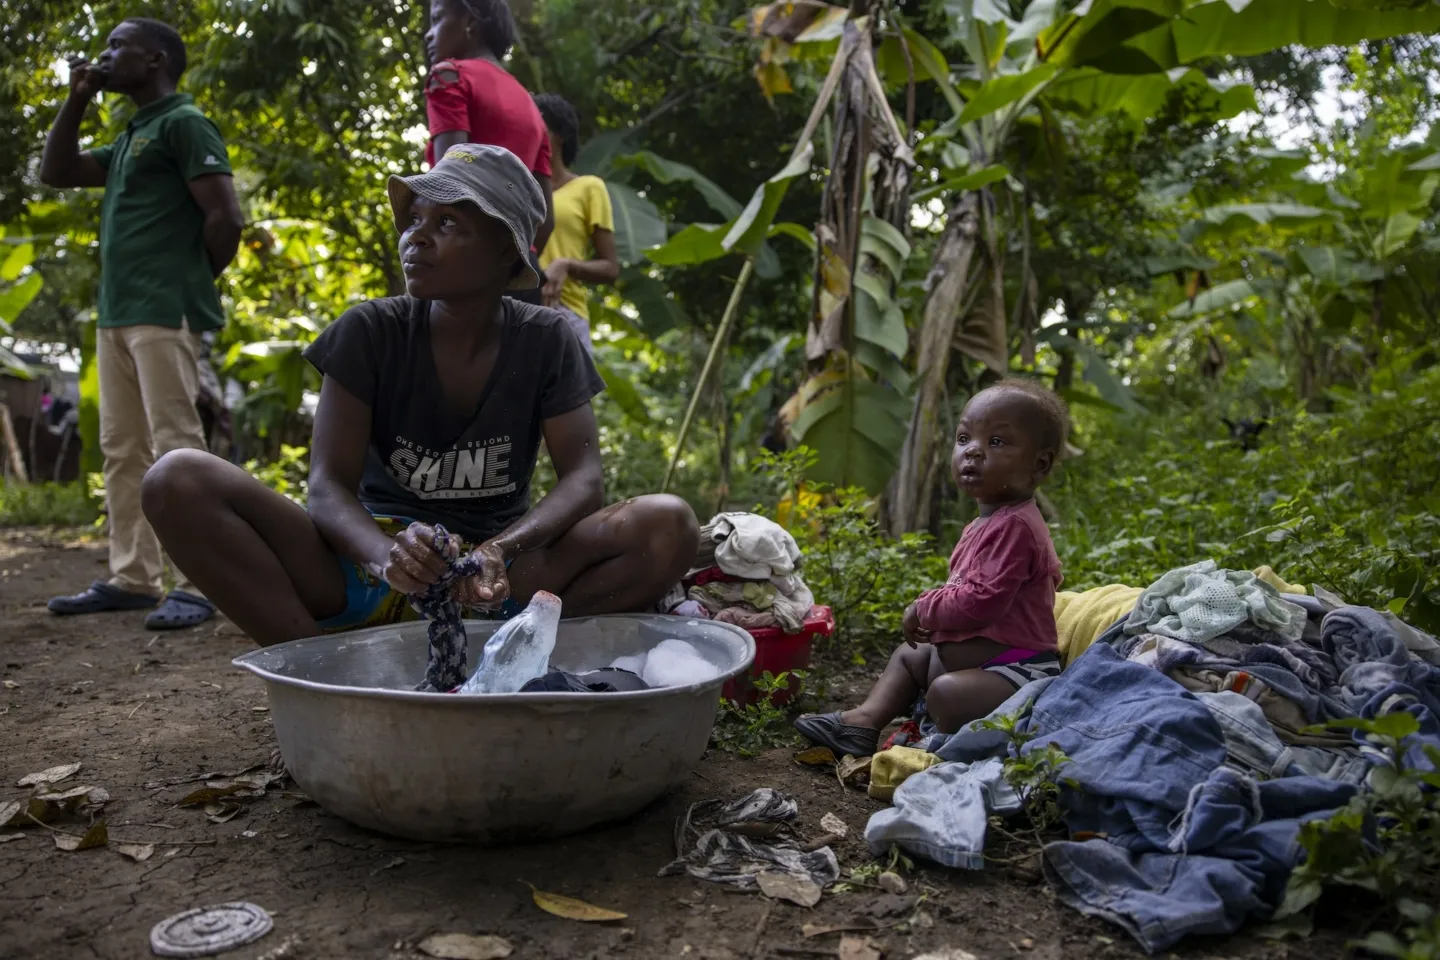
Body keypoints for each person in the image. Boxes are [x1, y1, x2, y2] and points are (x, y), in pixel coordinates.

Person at [139, 143, 700, 646]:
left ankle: (511, 648)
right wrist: (388, 558)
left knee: (667, 524)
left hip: (492, 577)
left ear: (508, 250)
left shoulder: (545, 340)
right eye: (415, 219)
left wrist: (497, 550)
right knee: (176, 480)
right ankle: (319, 670)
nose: (417, 237)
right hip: (365, 568)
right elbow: (328, 487)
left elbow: (584, 480)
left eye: (449, 222)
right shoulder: (369, 332)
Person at [40, 18, 244, 630]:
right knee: (122, 448)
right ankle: (134, 576)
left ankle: (200, 583)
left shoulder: (183, 123)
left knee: (176, 443)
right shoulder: (134, 134)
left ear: (155, 59)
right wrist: (77, 97)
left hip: (163, 308)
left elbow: (225, 218)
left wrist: (190, 278)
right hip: (117, 312)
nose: (105, 56)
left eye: (117, 47)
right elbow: (57, 170)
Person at [794, 380, 1070, 756]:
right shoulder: (983, 524)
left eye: (996, 442)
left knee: (945, 693)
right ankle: (864, 721)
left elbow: (982, 601)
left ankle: (932, 732)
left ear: (1039, 465)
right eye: (963, 438)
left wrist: (925, 607)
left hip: (1016, 671)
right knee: (909, 657)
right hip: (977, 665)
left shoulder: (1017, 526)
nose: (973, 451)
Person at [423, 0, 553, 305]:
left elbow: (448, 188)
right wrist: (512, 264)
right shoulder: (532, 108)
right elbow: (545, 221)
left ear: (471, 23)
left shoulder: (449, 76)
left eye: (438, 19)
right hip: (520, 272)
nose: (429, 35)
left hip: (461, 269)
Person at [533, 94, 619, 353]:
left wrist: (565, 264)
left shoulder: (589, 187)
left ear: (559, 135)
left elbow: (610, 268)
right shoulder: (517, 189)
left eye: (537, 124)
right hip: (513, 309)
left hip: (564, 311)